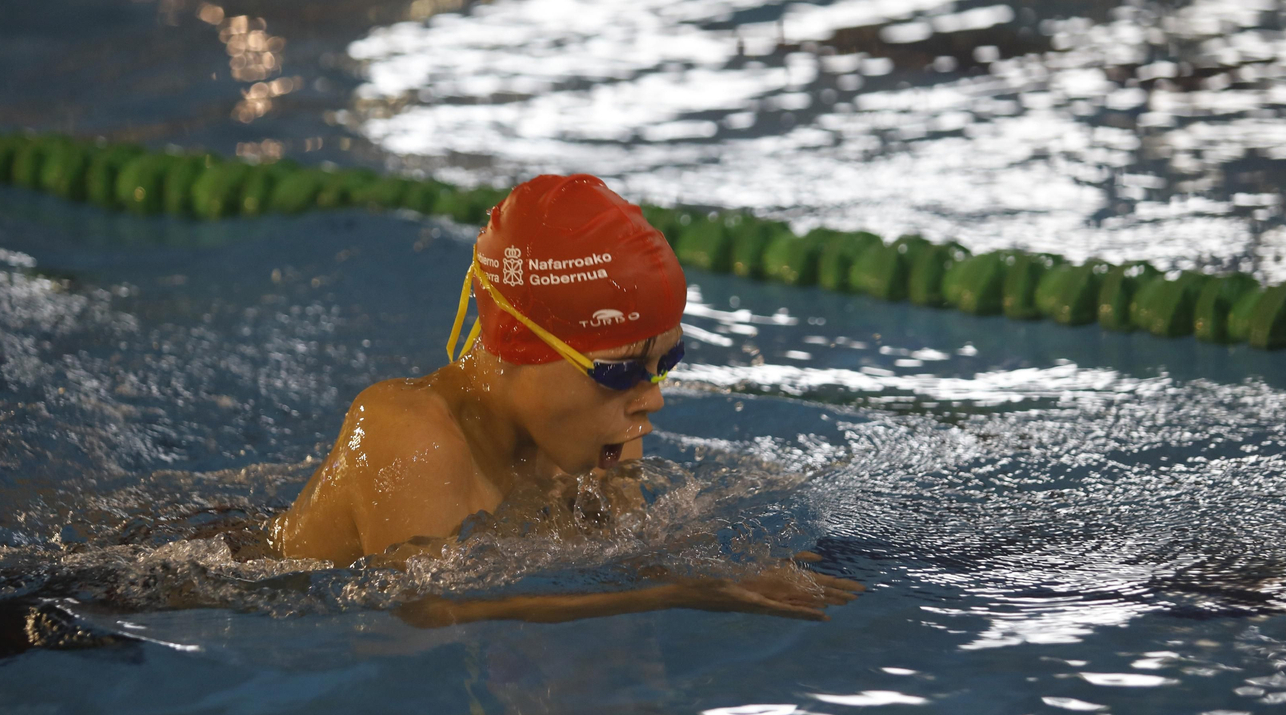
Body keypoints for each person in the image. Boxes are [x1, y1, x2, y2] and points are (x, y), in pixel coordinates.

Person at [271, 174, 860, 623]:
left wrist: (730, 569)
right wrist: (681, 594)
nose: (649, 400)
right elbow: (429, 614)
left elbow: (628, 550)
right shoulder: (408, 434)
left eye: (665, 364)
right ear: (519, 344)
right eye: (619, 371)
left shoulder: (599, 431)